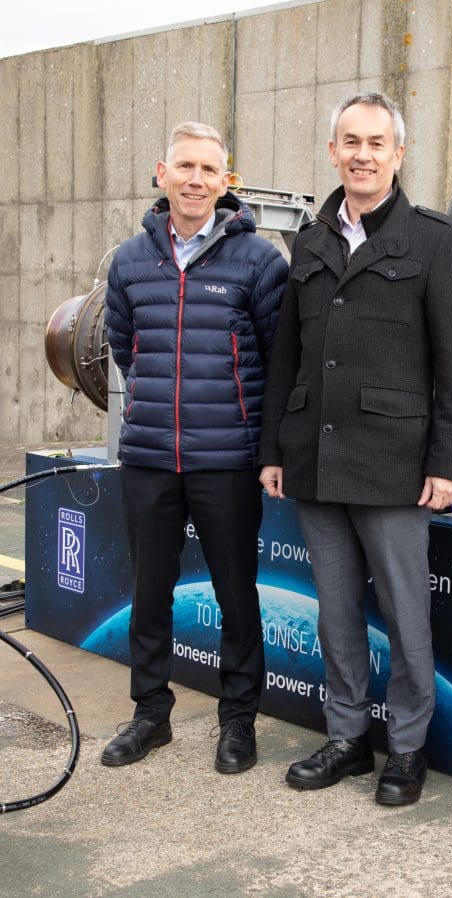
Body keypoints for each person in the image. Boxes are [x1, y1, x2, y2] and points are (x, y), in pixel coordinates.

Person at [258, 93, 452, 806]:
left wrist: (448, 463)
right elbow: (287, 354)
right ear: (332, 152)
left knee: (408, 618)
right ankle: (348, 738)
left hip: (395, 466)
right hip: (315, 462)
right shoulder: (311, 240)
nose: (362, 154)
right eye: (350, 142)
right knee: (336, 613)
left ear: (398, 154)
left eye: (376, 143)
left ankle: (407, 751)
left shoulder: (435, 240)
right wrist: (274, 450)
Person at [102, 122, 288, 773]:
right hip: (151, 456)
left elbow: (276, 359)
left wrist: (260, 445)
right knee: (149, 594)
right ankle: (150, 716)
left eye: (209, 170)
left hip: (227, 461)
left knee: (237, 595)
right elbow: (128, 351)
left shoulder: (260, 262)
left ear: (225, 182)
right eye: (185, 166)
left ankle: (237, 722)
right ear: (162, 172)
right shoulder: (129, 262)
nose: (196, 179)